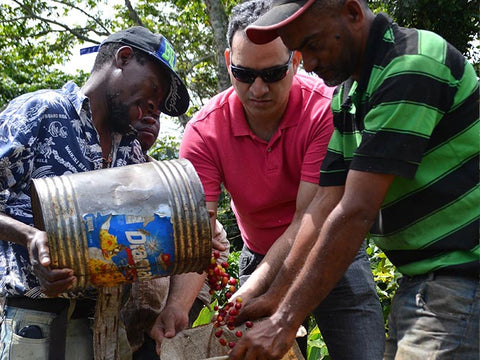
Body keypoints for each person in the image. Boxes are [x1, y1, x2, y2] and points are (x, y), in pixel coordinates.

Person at [226, 1, 480, 359]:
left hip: (462, 275)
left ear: (352, 12)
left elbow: (355, 210)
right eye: (301, 51)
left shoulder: (411, 65)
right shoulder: (349, 96)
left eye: (313, 45)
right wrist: (274, 295)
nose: (309, 64)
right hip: (423, 280)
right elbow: (324, 202)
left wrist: (285, 321)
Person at [179, 1, 385, 359]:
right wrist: (178, 309)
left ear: (295, 61)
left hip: (332, 249)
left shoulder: (325, 108)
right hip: (259, 257)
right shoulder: (204, 132)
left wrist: (255, 291)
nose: (258, 89)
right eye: (244, 74)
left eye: (272, 74)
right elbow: (199, 236)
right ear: (229, 61)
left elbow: (308, 219)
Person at [0, 26, 202, 360]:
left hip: (104, 330)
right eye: (154, 88)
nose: (152, 105)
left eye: (159, 103)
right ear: (123, 57)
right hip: (33, 325)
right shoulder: (42, 112)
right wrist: (29, 237)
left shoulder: (130, 151)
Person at [123, 108, 230, 360]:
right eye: (139, 110)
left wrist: (179, 306)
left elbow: (215, 241)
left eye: (156, 114)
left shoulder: (172, 184)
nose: (150, 119)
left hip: (154, 335)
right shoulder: (92, 174)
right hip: (104, 329)